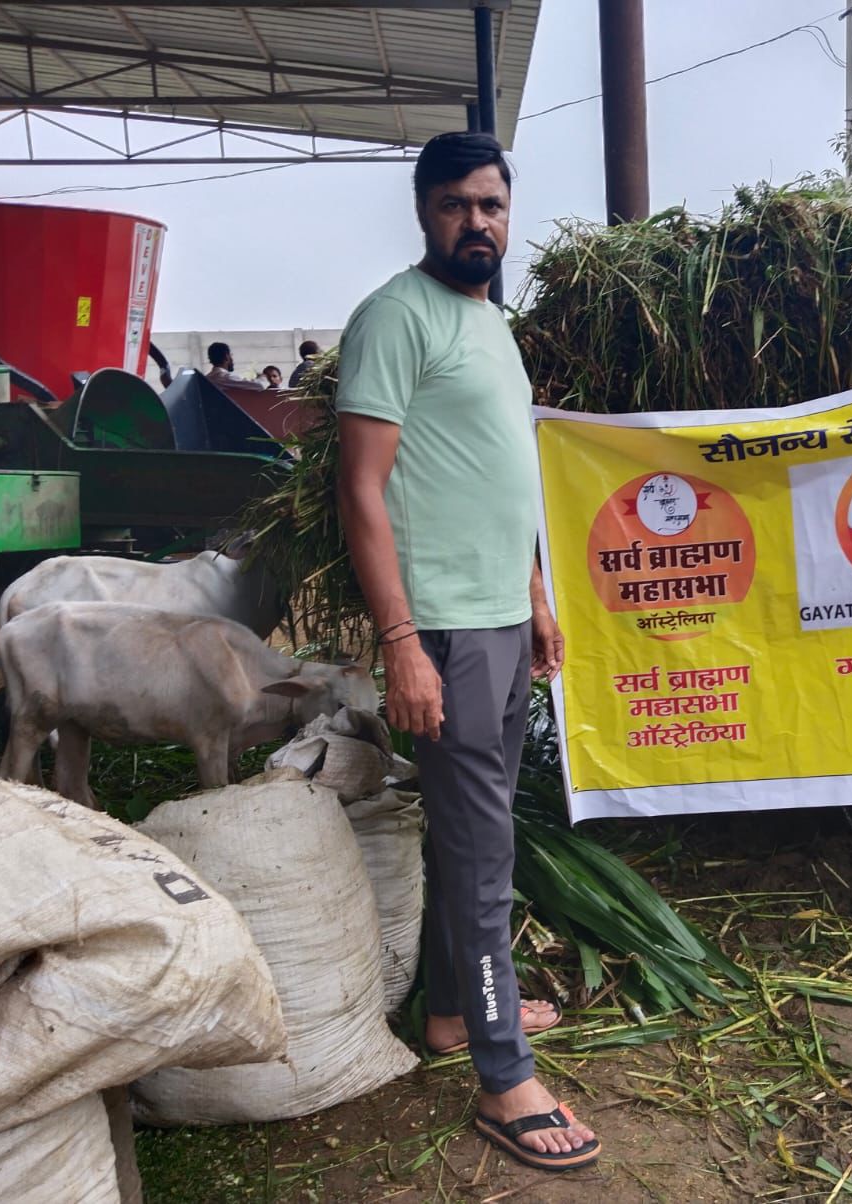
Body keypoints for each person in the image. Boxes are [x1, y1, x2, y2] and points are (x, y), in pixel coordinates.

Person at [335, 132, 600, 1172]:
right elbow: (361, 490)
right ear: (422, 211)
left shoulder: (490, 322)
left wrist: (532, 592)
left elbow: (499, 474)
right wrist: (401, 641)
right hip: (440, 626)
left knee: (467, 836)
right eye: (455, 205)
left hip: (495, 615)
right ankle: (503, 1074)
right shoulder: (395, 318)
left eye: (490, 204)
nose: (476, 222)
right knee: (485, 849)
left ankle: (452, 1011)